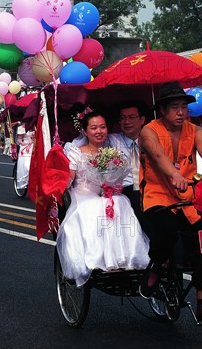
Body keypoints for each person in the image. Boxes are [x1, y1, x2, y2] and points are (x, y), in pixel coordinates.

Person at [138, 82, 202, 321]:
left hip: (188, 195)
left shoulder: (195, 131)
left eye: (184, 107)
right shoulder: (148, 131)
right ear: (162, 110)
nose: (181, 112)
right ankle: (158, 264)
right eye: (175, 107)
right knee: (168, 231)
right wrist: (174, 175)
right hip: (158, 193)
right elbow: (159, 157)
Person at [55, 110, 151, 288]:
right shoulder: (76, 151)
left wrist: (111, 184)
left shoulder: (113, 151)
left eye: (102, 127)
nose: (99, 131)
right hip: (84, 194)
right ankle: (98, 258)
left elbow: (120, 178)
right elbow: (69, 179)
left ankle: (125, 258)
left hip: (108, 193)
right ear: (85, 131)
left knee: (122, 202)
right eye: (94, 128)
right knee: (94, 208)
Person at [107, 102, 154, 239]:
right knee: (137, 200)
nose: (127, 122)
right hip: (125, 189)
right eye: (123, 118)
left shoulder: (152, 140)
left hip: (151, 187)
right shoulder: (112, 140)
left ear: (142, 120)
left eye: (132, 117)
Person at [15, 123, 34, 190]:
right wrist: (25, 143)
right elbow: (19, 140)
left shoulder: (34, 127)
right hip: (25, 148)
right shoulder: (21, 128)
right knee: (27, 166)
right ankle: (25, 180)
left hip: (33, 146)